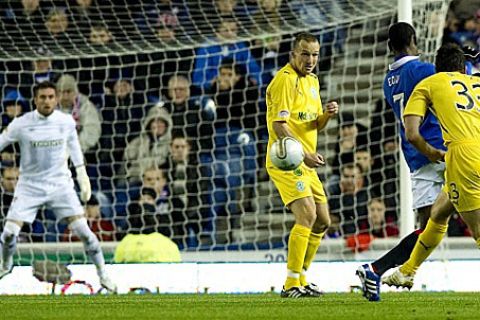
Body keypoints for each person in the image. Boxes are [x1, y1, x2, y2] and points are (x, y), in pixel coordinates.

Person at [356, 22, 448, 302]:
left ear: (389, 47)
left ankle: (375, 269)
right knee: (435, 226)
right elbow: (453, 86)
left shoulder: (388, 80)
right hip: (441, 149)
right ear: (413, 40)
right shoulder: (423, 70)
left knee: (429, 226)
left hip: (415, 156)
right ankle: (392, 269)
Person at [0, 81, 117, 292]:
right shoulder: (22, 123)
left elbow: (74, 147)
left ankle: (104, 275)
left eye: (50, 97)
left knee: (85, 232)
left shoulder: (65, 122)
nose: (47, 101)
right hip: (30, 186)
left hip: (59, 185)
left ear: (55, 99)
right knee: (8, 233)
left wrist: (82, 175)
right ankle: (5, 265)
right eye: (42, 97)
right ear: (35, 100)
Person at [382, 43, 480, 288]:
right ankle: (407, 270)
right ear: (463, 68)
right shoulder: (476, 82)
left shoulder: (428, 83)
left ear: (437, 68)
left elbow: (412, 134)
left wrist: (432, 153)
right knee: (439, 213)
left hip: (464, 155)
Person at [266, 32, 339, 298]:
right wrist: (304, 153)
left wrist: (326, 116)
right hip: (287, 159)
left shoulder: (313, 81)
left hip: (305, 160)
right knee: (307, 215)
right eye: (305, 54)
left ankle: (302, 277)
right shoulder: (285, 81)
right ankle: (290, 284)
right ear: (293, 54)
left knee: (322, 221)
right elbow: (278, 124)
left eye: (315, 54)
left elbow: (313, 123)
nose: (310, 60)